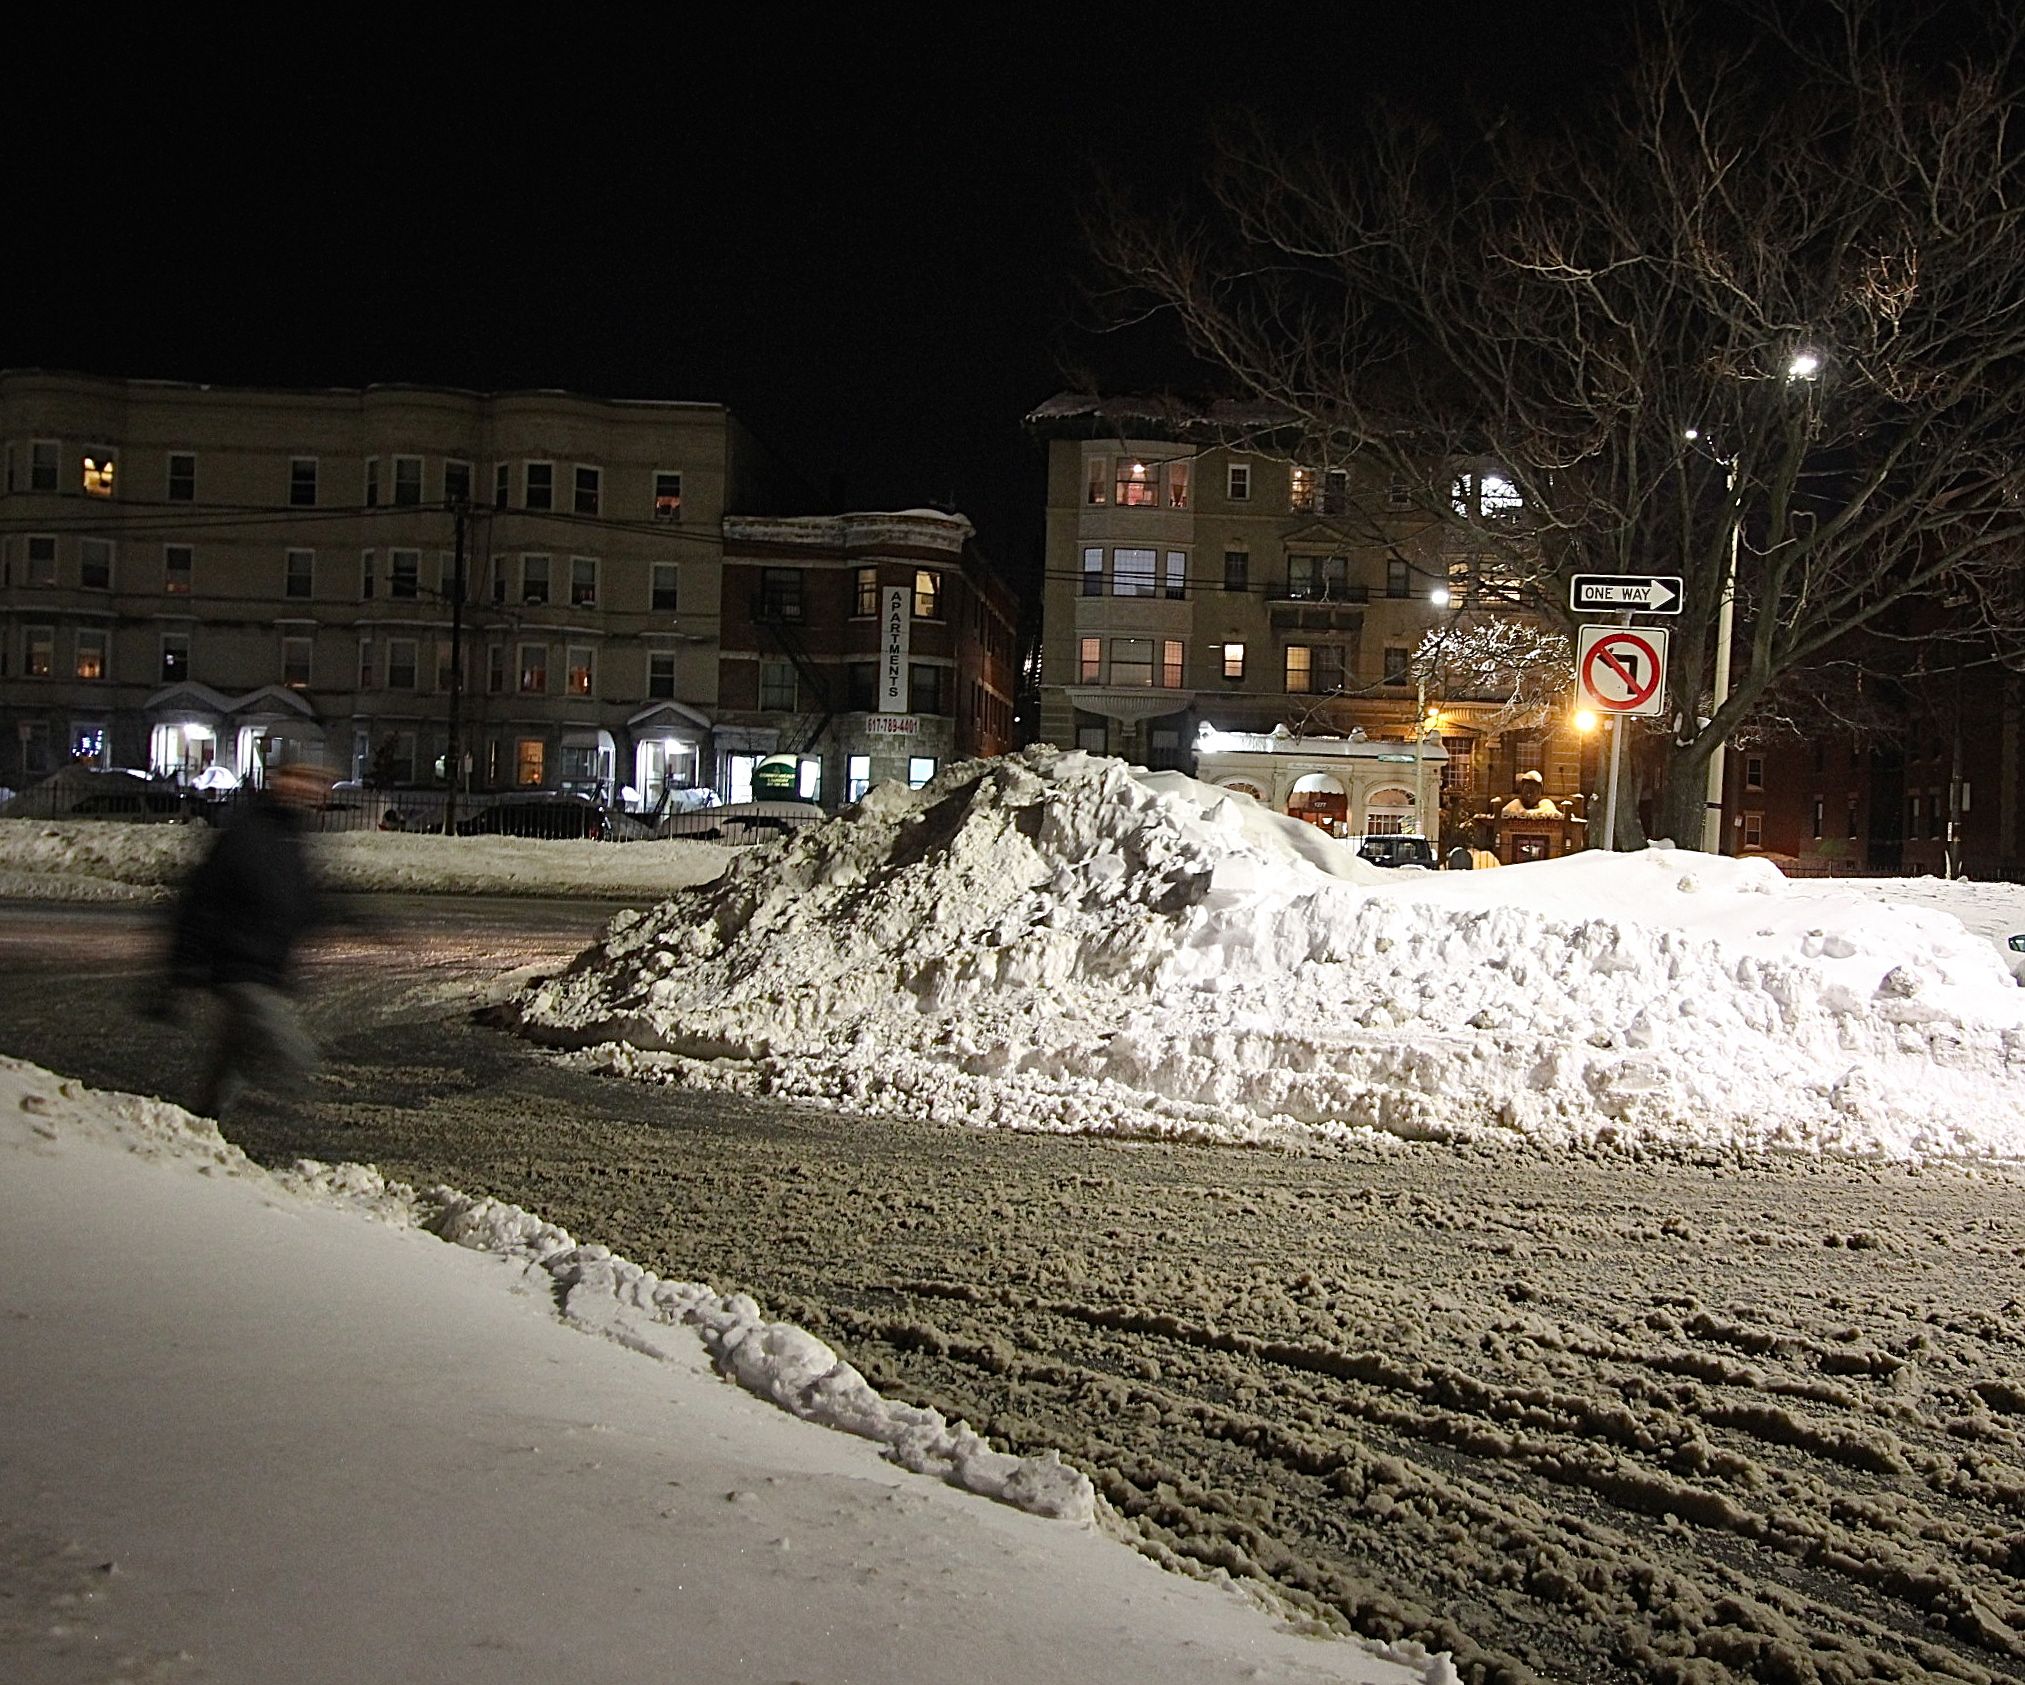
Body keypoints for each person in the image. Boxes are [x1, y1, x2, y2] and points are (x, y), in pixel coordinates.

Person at [154, 761, 335, 1119]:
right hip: (239, 962)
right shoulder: (249, 831)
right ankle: (301, 1126)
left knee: (234, 1053)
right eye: (297, 779)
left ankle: (202, 1121)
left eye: (313, 782)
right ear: (278, 782)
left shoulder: (290, 835)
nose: (307, 789)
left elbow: (299, 897)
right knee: (292, 1051)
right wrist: (184, 969)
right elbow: (202, 900)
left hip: (267, 964)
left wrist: (345, 921)